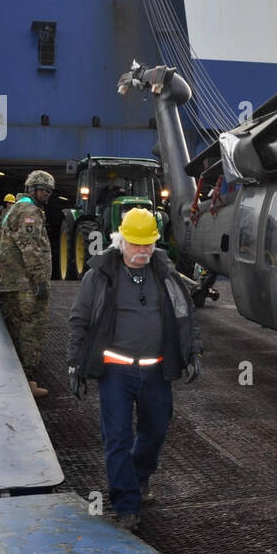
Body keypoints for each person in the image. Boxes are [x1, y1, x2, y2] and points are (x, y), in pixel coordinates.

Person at [67, 207, 201, 533]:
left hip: (156, 371)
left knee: (155, 432)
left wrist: (193, 353)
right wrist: (74, 364)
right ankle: (126, 505)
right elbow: (79, 321)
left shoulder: (166, 275)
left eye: (148, 244)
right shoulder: (99, 276)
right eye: (136, 244)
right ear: (121, 240)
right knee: (117, 438)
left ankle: (139, 478)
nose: (142, 252)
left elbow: (186, 316)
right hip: (116, 370)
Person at [0, 170, 54, 398]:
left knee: (12, 331)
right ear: (32, 189)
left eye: (49, 191)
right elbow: (30, 247)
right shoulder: (30, 211)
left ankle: (10, 379)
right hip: (23, 284)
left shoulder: (12, 208)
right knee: (31, 330)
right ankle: (27, 382)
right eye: (44, 190)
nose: (47, 195)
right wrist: (40, 281)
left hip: (6, 282)